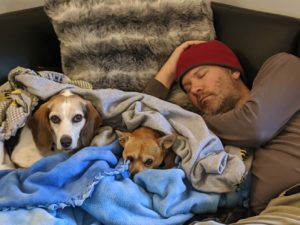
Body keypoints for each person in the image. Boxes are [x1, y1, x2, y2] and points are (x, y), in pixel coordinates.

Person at [143, 40, 300, 218]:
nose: (195, 89)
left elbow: (255, 127)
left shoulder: (285, 65)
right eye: (187, 88)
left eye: (201, 75)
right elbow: (143, 122)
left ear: (233, 71)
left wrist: (190, 122)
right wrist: (170, 70)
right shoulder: (208, 137)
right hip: (267, 215)